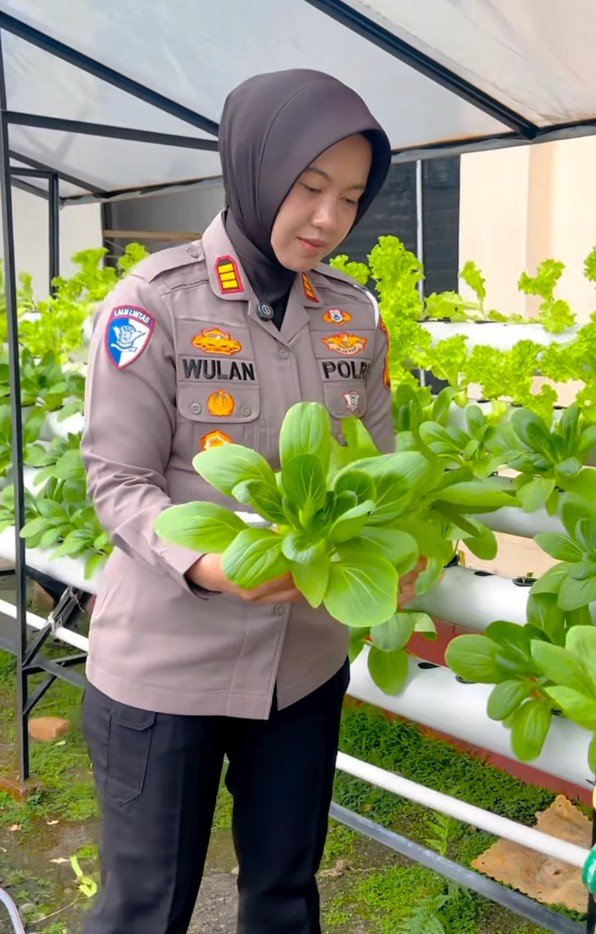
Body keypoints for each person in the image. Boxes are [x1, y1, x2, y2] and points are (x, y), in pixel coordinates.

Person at [81, 70, 418, 933]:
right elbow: (117, 479)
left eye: (350, 198)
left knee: (283, 897)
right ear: (256, 167)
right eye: (309, 187)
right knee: (145, 910)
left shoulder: (353, 316)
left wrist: (398, 550)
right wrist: (203, 562)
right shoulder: (153, 303)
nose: (328, 219)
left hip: (301, 665)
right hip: (167, 667)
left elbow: (379, 468)